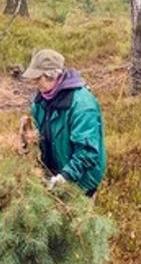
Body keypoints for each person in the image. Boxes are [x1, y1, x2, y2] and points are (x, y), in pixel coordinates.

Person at [19, 49, 105, 197]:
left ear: (52, 75)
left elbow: (87, 151)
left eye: (38, 78)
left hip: (82, 179)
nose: (34, 83)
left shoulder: (82, 105)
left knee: (76, 217)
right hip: (54, 172)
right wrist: (28, 140)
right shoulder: (40, 102)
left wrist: (65, 176)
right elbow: (43, 137)